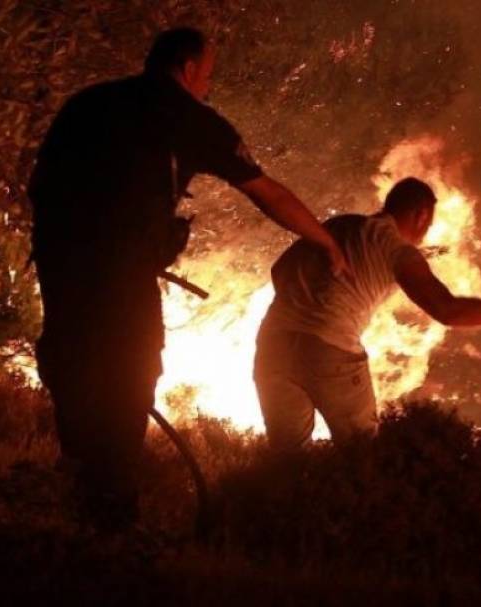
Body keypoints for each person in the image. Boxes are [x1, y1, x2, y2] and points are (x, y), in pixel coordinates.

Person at [28, 27, 347, 528]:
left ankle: (76, 495)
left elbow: (41, 184)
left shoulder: (88, 103)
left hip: (60, 266)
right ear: (187, 67)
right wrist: (324, 240)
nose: (208, 86)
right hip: (121, 275)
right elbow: (268, 193)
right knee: (130, 378)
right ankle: (111, 515)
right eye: (207, 75)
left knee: (73, 373)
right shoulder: (189, 119)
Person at [254, 177, 481, 453]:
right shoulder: (395, 249)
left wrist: (306, 298)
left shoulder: (340, 225)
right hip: (329, 350)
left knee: (289, 459)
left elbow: (279, 269)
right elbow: (447, 311)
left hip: (272, 344)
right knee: (362, 454)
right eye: (429, 222)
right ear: (421, 215)